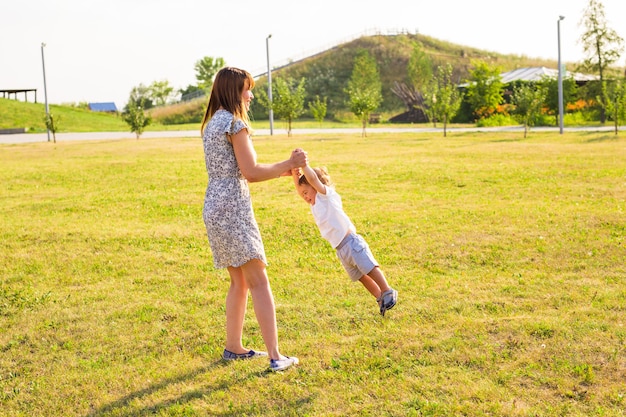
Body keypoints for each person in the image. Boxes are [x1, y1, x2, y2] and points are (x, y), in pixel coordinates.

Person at [200, 67, 306, 372]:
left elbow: (243, 169)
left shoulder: (211, 124)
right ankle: (276, 356)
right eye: (247, 89)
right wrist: (289, 163)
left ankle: (233, 347)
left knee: (239, 281)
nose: (251, 94)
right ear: (234, 91)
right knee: (258, 281)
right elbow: (251, 171)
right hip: (234, 208)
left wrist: (281, 169)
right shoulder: (235, 124)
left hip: (214, 207)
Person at [291, 164, 398, 316]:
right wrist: (296, 176)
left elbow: (313, 179)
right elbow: (300, 189)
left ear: (317, 186)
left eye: (307, 192)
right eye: (303, 195)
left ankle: (387, 290)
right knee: (361, 276)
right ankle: (380, 298)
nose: (305, 197)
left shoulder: (326, 197)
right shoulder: (314, 204)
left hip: (351, 242)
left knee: (369, 268)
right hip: (341, 249)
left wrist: (304, 165)